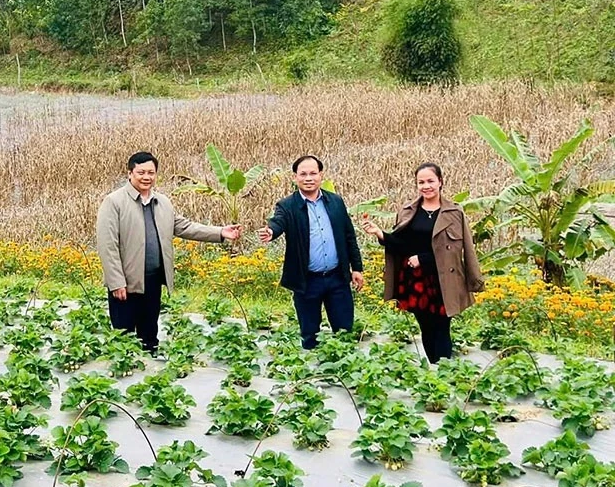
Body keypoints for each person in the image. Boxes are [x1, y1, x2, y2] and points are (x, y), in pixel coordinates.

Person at [96, 151, 242, 355]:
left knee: (149, 333)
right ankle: (124, 378)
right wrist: (116, 281)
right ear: (130, 173)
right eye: (141, 172)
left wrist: (219, 232)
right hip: (127, 283)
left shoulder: (162, 202)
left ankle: (149, 376)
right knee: (123, 337)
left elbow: (185, 227)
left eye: (151, 172)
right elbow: (107, 245)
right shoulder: (114, 202)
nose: (146, 177)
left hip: (154, 280)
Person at [362, 162, 484, 363]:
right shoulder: (408, 210)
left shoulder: (454, 213)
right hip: (417, 281)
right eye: (421, 182)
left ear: (440, 182)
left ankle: (444, 371)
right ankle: (435, 370)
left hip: (444, 279)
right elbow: (401, 244)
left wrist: (424, 259)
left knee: (442, 327)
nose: (426, 186)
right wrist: (380, 233)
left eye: (430, 181)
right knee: (426, 326)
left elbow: (459, 250)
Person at [258, 155, 364, 350]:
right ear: (295, 177)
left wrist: (356, 268)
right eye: (303, 174)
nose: (308, 178)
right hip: (307, 281)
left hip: (337, 278)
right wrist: (271, 231)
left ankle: (344, 373)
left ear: (321, 175)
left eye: (313, 173)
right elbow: (278, 222)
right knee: (310, 335)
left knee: (344, 333)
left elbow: (349, 236)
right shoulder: (287, 205)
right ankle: (312, 377)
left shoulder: (336, 202)